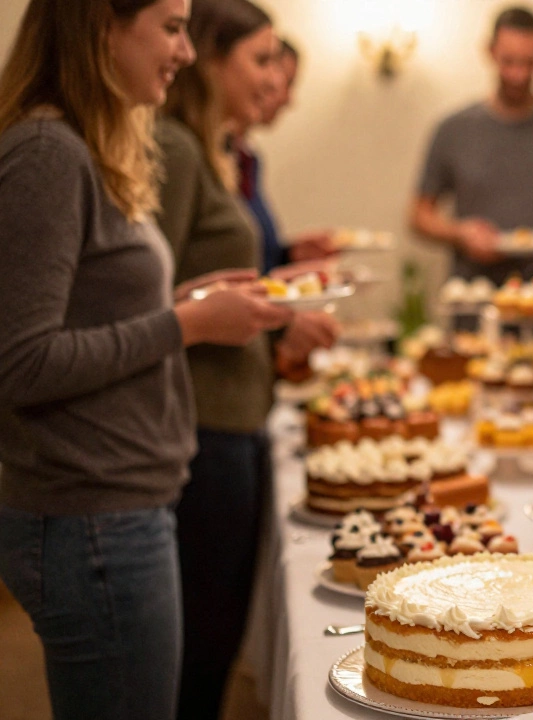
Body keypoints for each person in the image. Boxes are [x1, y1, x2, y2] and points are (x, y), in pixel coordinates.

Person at [0, 1, 292, 718]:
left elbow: (95, 310)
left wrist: (189, 298)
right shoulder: (47, 151)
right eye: (169, 27)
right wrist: (186, 322)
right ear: (101, 25)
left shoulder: (85, 146)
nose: (187, 52)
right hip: (94, 517)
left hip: (121, 508)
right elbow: (23, 362)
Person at [155, 1, 337, 718]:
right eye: (260, 59)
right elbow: (152, 299)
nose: (273, 77)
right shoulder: (172, 148)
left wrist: (278, 294)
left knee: (214, 637)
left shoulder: (210, 151)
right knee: (201, 643)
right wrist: (273, 325)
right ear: (210, 57)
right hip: (202, 424)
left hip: (235, 414)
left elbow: (214, 282)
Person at [410, 5, 533, 283]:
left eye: (529, 63)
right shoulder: (453, 129)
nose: (519, 74)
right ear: (489, 52)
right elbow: (419, 215)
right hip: (474, 295)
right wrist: (460, 234)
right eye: (509, 61)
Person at [236, 37, 334, 274]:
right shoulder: (187, 149)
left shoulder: (248, 157)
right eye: (286, 83)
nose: (286, 97)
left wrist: (288, 255)